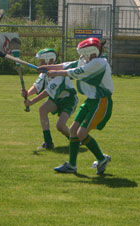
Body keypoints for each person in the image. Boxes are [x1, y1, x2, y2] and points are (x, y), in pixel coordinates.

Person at [38, 37, 113, 175]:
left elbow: (75, 72)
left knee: (81, 134)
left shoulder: (99, 63)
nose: (82, 57)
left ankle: (101, 159)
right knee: (73, 130)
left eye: (84, 54)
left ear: (92, 52)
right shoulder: (87, 61)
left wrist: (55, 73)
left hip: (101, 101)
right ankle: (72, 165)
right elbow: (67, 65)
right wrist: (47, 67)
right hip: (91, 101)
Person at [21, 48, 78, 150]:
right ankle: (48, 142)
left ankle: (75, 140)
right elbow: (36, 86)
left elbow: (47, 92)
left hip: (68, 100)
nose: (40, 62)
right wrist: (27, 93)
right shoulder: (44, 73)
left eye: (41, 60)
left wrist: (32, 102)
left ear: (48, 60)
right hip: (56, 99)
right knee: (42, 109)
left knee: (60, 126)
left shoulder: (59, 74)